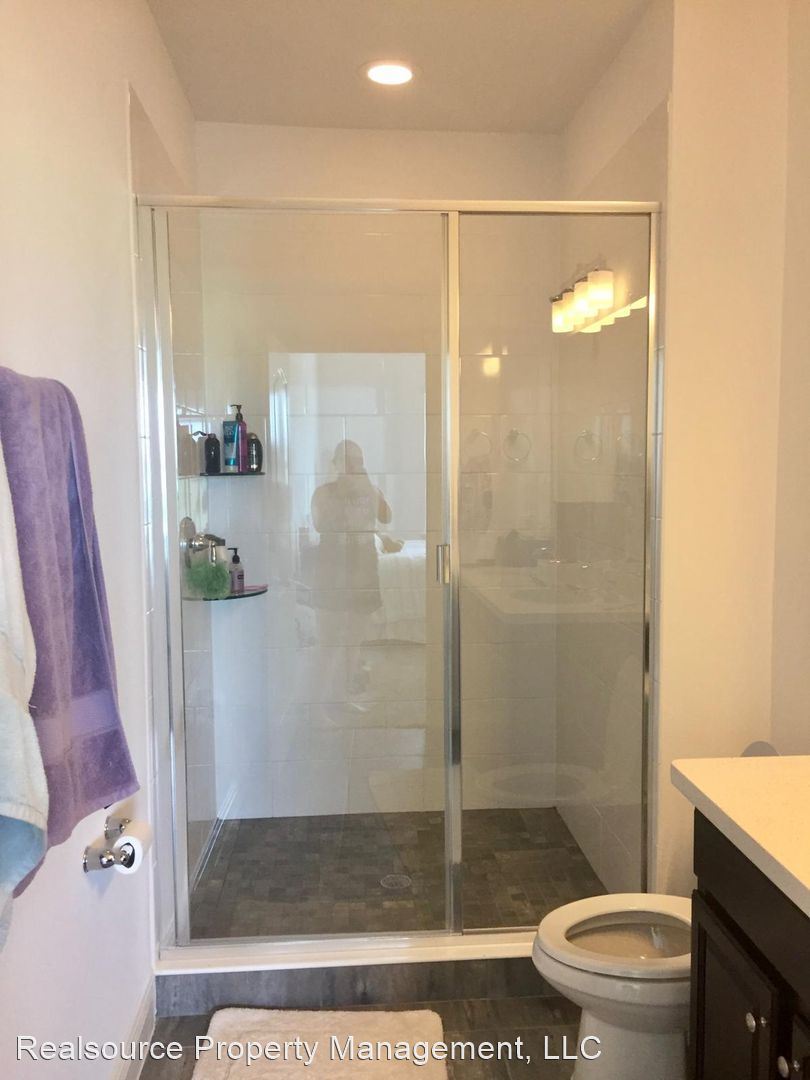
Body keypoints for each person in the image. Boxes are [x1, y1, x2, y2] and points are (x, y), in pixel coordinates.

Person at [309, 441, 392, 692]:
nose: (355, 465)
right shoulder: (323, 493)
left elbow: (386, 517)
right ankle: (322, 701)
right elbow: (320, 525)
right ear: (336, 463)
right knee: (330, 640)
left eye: (359, 460)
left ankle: (344, 695)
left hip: (364, 568)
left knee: (355, 639)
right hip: (333, 569)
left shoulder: (369, 489)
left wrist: (370, 490)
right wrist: (344, 495)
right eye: (348, 460)